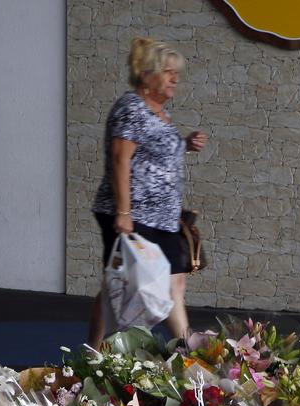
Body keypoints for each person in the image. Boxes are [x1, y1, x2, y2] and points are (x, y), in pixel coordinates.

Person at [89, 37, 206, 349]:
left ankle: (184, 346)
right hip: (134, 214)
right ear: (146, 76)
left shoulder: (155, 112)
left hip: (162, 217)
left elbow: (153, 152)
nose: (175, 78)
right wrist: (124, 213)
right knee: (126, 286)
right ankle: (183, 346)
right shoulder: (132, 108)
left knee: (173, 281)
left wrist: (184, 144)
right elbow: (120, 159)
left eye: (175, 72)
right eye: (167, 72)